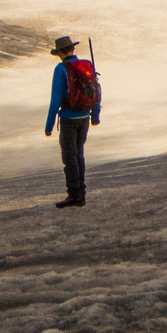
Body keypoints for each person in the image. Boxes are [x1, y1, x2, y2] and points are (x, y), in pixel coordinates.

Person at [44, 35, 99, 208]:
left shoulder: (61, 69)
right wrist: (95, 115)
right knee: (78, 154)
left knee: (69, 157)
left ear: (60, 52)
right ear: (72, 49)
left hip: (69, 119)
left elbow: (55, 100)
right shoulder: (86, 66)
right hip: (84, 117)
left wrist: (49, 125)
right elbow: (96, 91)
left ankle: (74, 194)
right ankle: (81, 193)